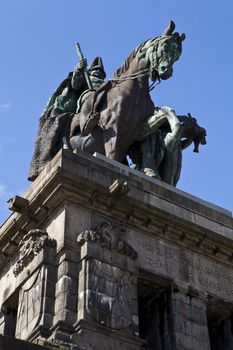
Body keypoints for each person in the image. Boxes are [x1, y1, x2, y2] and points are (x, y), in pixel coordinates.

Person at [28, 57, 106, 181]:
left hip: (103, 108)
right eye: (95, 70)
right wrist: (79, 70)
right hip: (83, 105)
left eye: (101, 72)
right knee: (56, 125)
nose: (98, 72)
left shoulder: (108, 84)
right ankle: (46, 156)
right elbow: (75, 85)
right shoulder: (86, 78)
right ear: (90, 71)